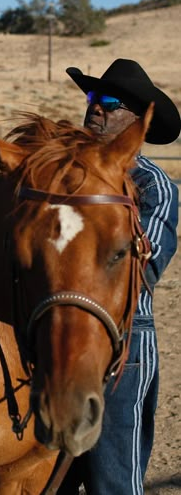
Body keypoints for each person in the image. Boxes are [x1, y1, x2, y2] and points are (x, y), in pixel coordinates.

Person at [59, 58, 180, 495]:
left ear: (137, 124)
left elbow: (140, 271)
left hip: (121, 349)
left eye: (110, 102)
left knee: (112, 482)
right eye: (93, 98)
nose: (95, 108)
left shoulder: (154, 187)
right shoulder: (61, 176)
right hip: (54, 340)